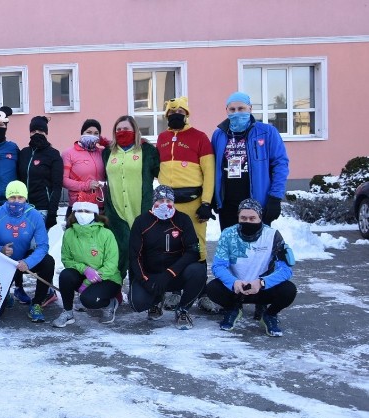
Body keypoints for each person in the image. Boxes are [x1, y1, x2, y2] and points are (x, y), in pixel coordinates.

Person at [155, 97, 219, 313]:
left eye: (181, 111)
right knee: (171, 246)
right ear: (166, 115)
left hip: (193, 203)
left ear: (187, 113)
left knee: (197, 247)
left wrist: (207, 202)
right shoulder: (162, 138)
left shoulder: (200, 137)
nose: (176, 114)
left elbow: (209, 173)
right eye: (172, 111)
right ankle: (174, 290)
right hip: (169, 204)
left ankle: (201, 293)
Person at [206, 198, 297, 336]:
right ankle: (233, 309)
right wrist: (234, 282)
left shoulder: (272, 235)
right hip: (236, 288)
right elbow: (218, 266)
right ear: (238, 217)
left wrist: (262, 283)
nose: (247, 221)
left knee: (289, 290)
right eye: (243, 218)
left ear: (260, 217)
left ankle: (269, 315)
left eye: (252, 218)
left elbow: (286, 270)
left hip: (262, 288)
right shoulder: (228, 234)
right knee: (212, 288)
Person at [127, 185, 206, 330]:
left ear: (174, 202)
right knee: (137, 303)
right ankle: (156, 301)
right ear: (153, 202)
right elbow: (134, 256)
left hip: (175, 275)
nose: (164, 204)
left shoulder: (183, 220)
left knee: (199, 270)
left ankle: (183, 309)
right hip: (151, 276)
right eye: (160, 200)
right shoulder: (141, 221)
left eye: (168, 200)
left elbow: (193, 252)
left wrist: (169, 273)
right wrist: (145, 280)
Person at [211, 91, 290, 231]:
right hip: (228, 204)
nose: (237, 113)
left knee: (257, 248)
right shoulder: (219, 134)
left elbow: (280, 164)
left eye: (241, 108)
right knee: (231, 247)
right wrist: (213, 197)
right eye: (232, 109)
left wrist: (275, 197)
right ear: (226, 111)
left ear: (250, 109)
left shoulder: (267, 132)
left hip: (257, 204)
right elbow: (213, 166)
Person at [0, 181, 56, 323]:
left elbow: (43, 245)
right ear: (6, 197)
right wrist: (0, 249)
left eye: (20, 198)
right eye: (12, 197)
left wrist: (28, 263)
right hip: (2, 261)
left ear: (26, 198)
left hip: (23, 261)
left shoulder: (34, 215)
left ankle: (36, 303)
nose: (16, 201)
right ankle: (6, 295)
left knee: (48, 262)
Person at [102, 115, 161, 280]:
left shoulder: (147, 151)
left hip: (140, 209)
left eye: (126, 129)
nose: (121, 132)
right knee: (118, 250)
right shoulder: (108, 152)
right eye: (118, 129)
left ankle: (140, 286)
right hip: (116, 211)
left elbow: (161, 172)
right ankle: (114, 286)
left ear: (135, 130)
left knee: (140, 250)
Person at [53, 201, 122, 328]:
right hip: (83, 275)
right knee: (65, 275)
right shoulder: (69, 233)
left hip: (107, 278)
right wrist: (85, 269)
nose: (83, 214)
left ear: (95, 214)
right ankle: (67, 313)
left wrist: (88, 282)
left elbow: (111, 264)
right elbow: (66, 259)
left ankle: (110, 304)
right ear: (74, 213)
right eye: (80, 211)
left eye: (87, 211)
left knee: (88, 301)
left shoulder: (106, 234)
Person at [18, 116, 63, 229]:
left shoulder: (53, 154)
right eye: (33, 131)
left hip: (43, 210)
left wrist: (52, 212)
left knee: (38, 244)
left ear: (46, 133)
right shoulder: (24, 153)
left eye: (41, 131)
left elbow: (57, 186)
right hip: (23, 208)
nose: (37, 133)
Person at [62, 119, 108, 217]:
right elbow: (63, 180)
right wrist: (87, 185)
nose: (92, 135)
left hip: (100, 207)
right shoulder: (69, 153)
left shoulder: (102, 152)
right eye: (89, 132)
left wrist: (107, 143)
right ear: (82, 133)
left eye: (96, 133)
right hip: (79, 207)